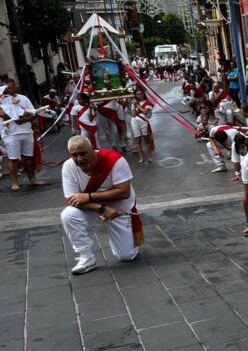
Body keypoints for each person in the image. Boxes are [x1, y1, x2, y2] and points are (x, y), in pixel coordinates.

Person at [60, 135, 142, 275]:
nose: (79, 159)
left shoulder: (114, 160)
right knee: (68, 214)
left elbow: (124, 192)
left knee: (126, 256)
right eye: (74, 155)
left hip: (119, 212)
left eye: (83, 153)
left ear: (92, 149)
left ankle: (120, 239)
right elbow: (71, 199)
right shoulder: (68, 166)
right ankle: (86, 257)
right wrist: (101, 208)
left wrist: (89, 196)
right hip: (96, 210)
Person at [0, 80, 43, 190]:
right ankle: (14, 183)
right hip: (10, 134)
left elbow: (33, 113)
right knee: (13, 158)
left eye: (10, 88)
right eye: (6, 88)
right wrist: (16, 117)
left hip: (26, 131)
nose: (8, 90)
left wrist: (23, 120)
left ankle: (32, 179)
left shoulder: (23, 98)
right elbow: (3, 114)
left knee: (28, 157)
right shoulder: (1, 101)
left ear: (15, 87)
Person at [128, 89, 155, 164]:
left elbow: (145, 112)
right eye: (137, 94)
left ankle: (149, 156)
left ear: (143, 94)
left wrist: (137, 105)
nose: (139, 96)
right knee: (137, 140)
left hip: (144, 121)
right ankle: (141, 158)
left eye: (141, 94)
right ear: (135, 95)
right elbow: (133, 115)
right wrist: (134, 106)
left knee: (146, 140)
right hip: (134, 121)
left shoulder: (147, 102)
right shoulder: (134, 103)